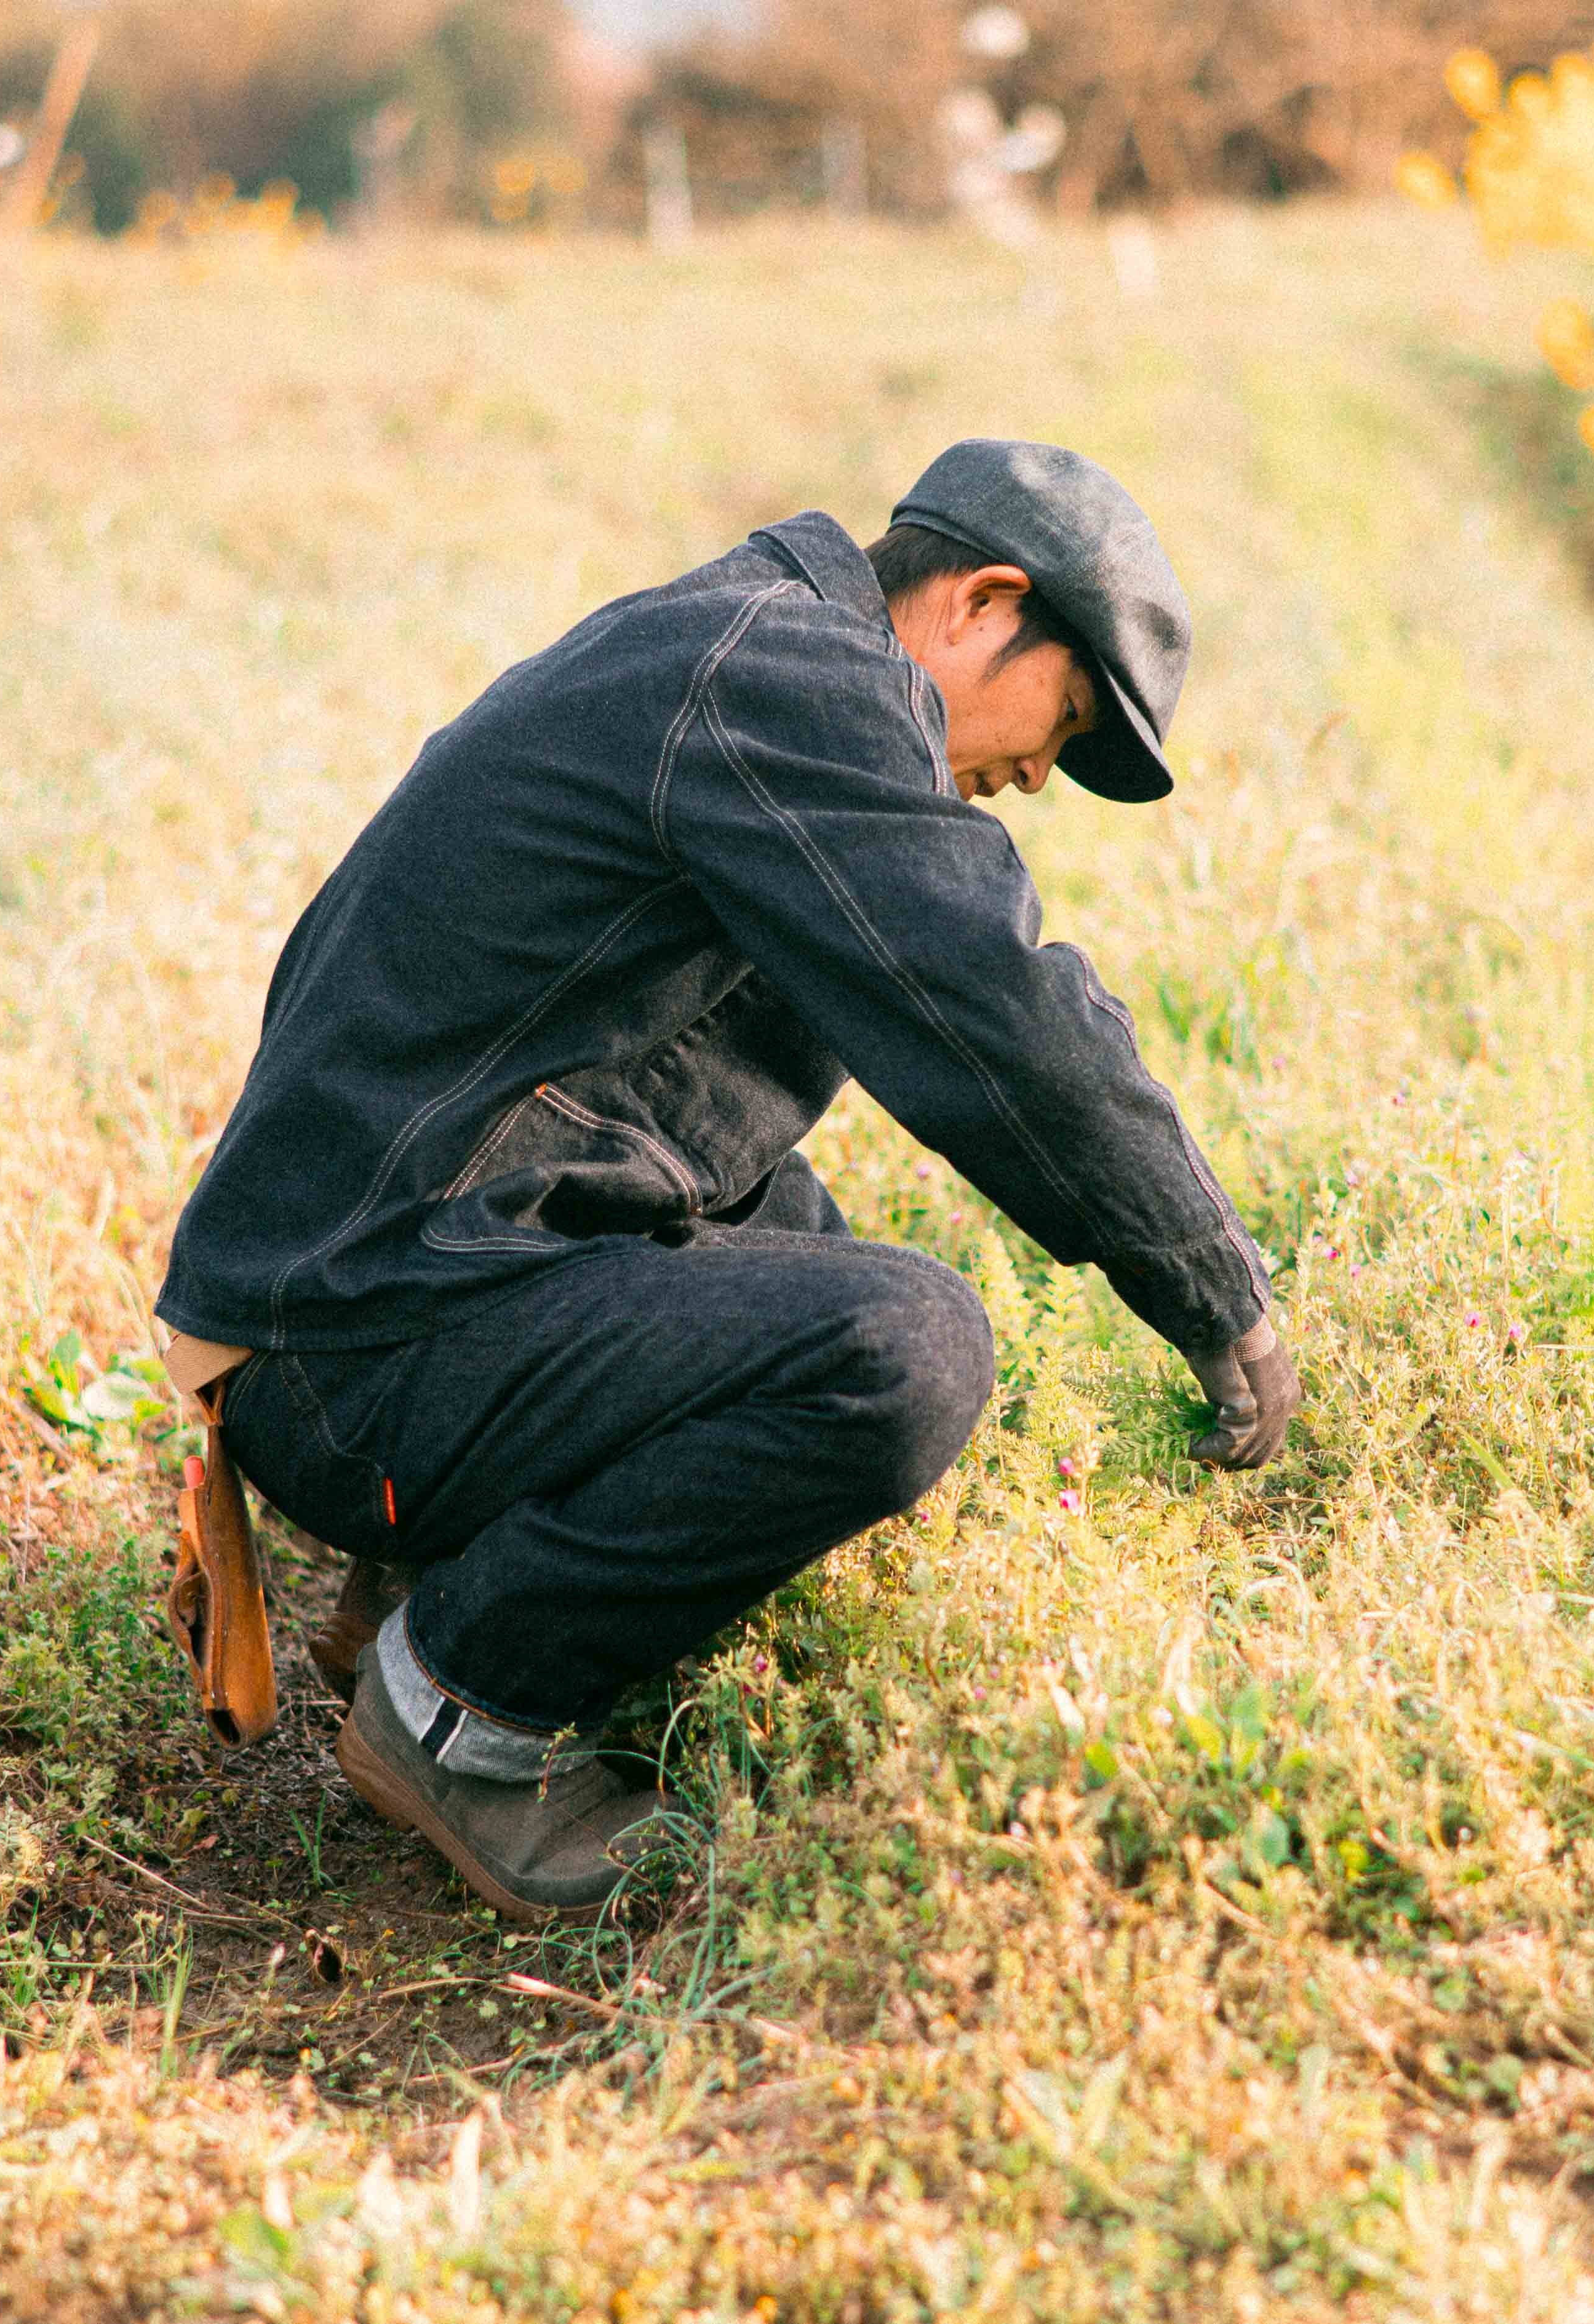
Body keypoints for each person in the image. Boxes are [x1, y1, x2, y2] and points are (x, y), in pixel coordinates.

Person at [154, 439, 1300, 1921]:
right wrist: (1215, 1291)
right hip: (351, 1340)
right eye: (1060, 718)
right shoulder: (794, 685)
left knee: (803, 1243)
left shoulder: (745, 639)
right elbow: (993, 1008)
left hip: (359, 1275)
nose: (1034, 776)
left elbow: (691, 1107)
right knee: (902, 1349)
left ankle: (426, 1580)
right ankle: (455, 1704)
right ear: (980, 603)